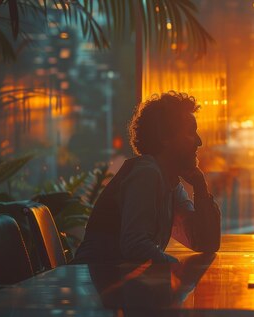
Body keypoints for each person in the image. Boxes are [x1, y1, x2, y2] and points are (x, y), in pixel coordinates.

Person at [73, 91, 221, 264]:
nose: (199, 141)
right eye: (191, 132)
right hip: (94, 281)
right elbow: (135, 246)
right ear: (165, 137)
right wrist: (176, 270)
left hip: (110, 282)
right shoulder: (146, 174)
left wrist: (201, 189)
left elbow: (205, 243)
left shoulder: (168, 181)